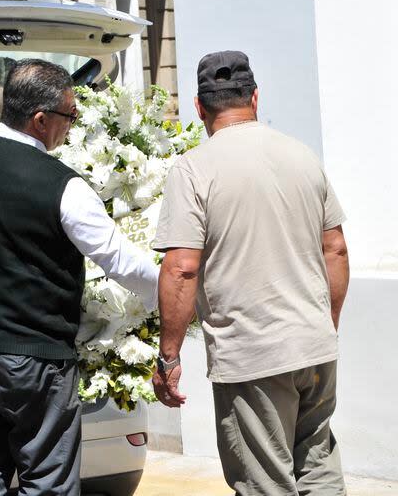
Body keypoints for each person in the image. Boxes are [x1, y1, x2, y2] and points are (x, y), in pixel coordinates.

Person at [0, 58, 159, 495]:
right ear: (40, 120)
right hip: (30, 357)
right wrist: (169, 289)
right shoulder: (63, 185)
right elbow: (119, 260)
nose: (72, 126)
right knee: (48, 478)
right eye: (69, 116)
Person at [151, 51, 350, 496]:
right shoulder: (302, 155)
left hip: (253, 351)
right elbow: (334, 248)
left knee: (265, 483)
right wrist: (325, 323)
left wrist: (169, 357)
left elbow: (182, 267)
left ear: (200, 107)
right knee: (317, 469)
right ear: (255, 98)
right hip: (314, 344)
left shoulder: (192, 169)